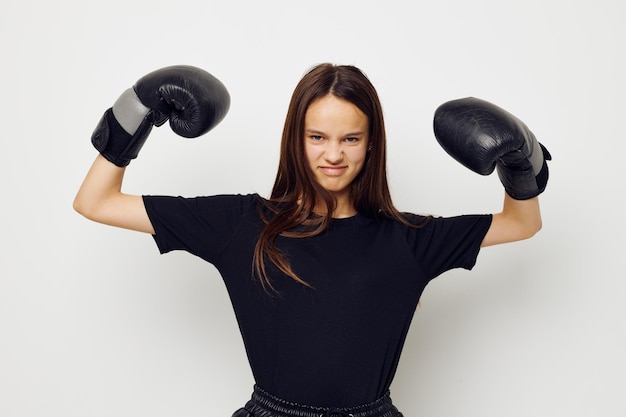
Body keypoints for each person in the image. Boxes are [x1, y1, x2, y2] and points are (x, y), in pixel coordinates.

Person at [74, 63, 550, 417]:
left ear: (371, 143)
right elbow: (96, 202)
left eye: (351, 139)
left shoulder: (408, 237)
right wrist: (132, 117)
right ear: (295, 140)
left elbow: (522, 223)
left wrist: (521, 162)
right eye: (317, 136)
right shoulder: (241, 223)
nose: (333, 155)